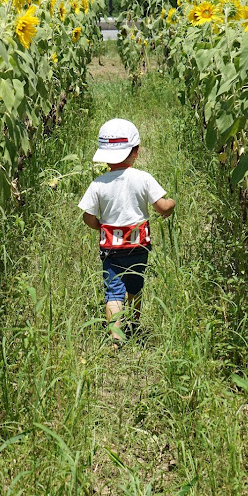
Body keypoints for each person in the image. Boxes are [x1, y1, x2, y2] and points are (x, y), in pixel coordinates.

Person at [78, 118, 175, 348]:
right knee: (135, 285)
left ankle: (115, 337)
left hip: (111, 248)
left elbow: (87, 217)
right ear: (136, 151)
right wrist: (171, 203)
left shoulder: (98, 184)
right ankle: (134, 324)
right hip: (138, 246)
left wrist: (101, 226)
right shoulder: (143, 178)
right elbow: (162, 208)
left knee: (113, 292)